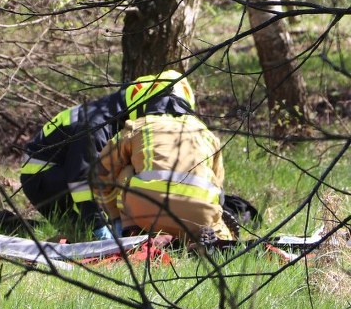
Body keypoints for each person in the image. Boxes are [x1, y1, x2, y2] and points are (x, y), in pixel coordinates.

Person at [21, 70, 197, 240]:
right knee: (84, 235)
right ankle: (92, 229)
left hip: (63, 173)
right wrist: (99, 226)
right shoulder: (98, 123)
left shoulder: (115, 115)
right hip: (45, 178)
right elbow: (81, 178)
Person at [94, 74, 233, 242]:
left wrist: (114, 216)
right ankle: (216, 240)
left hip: (146, 215)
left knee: (125, 170)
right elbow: (219, 191)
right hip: (200, 218)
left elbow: (101, 172)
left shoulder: (138, 126)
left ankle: (131, 232)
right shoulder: (207, 134)